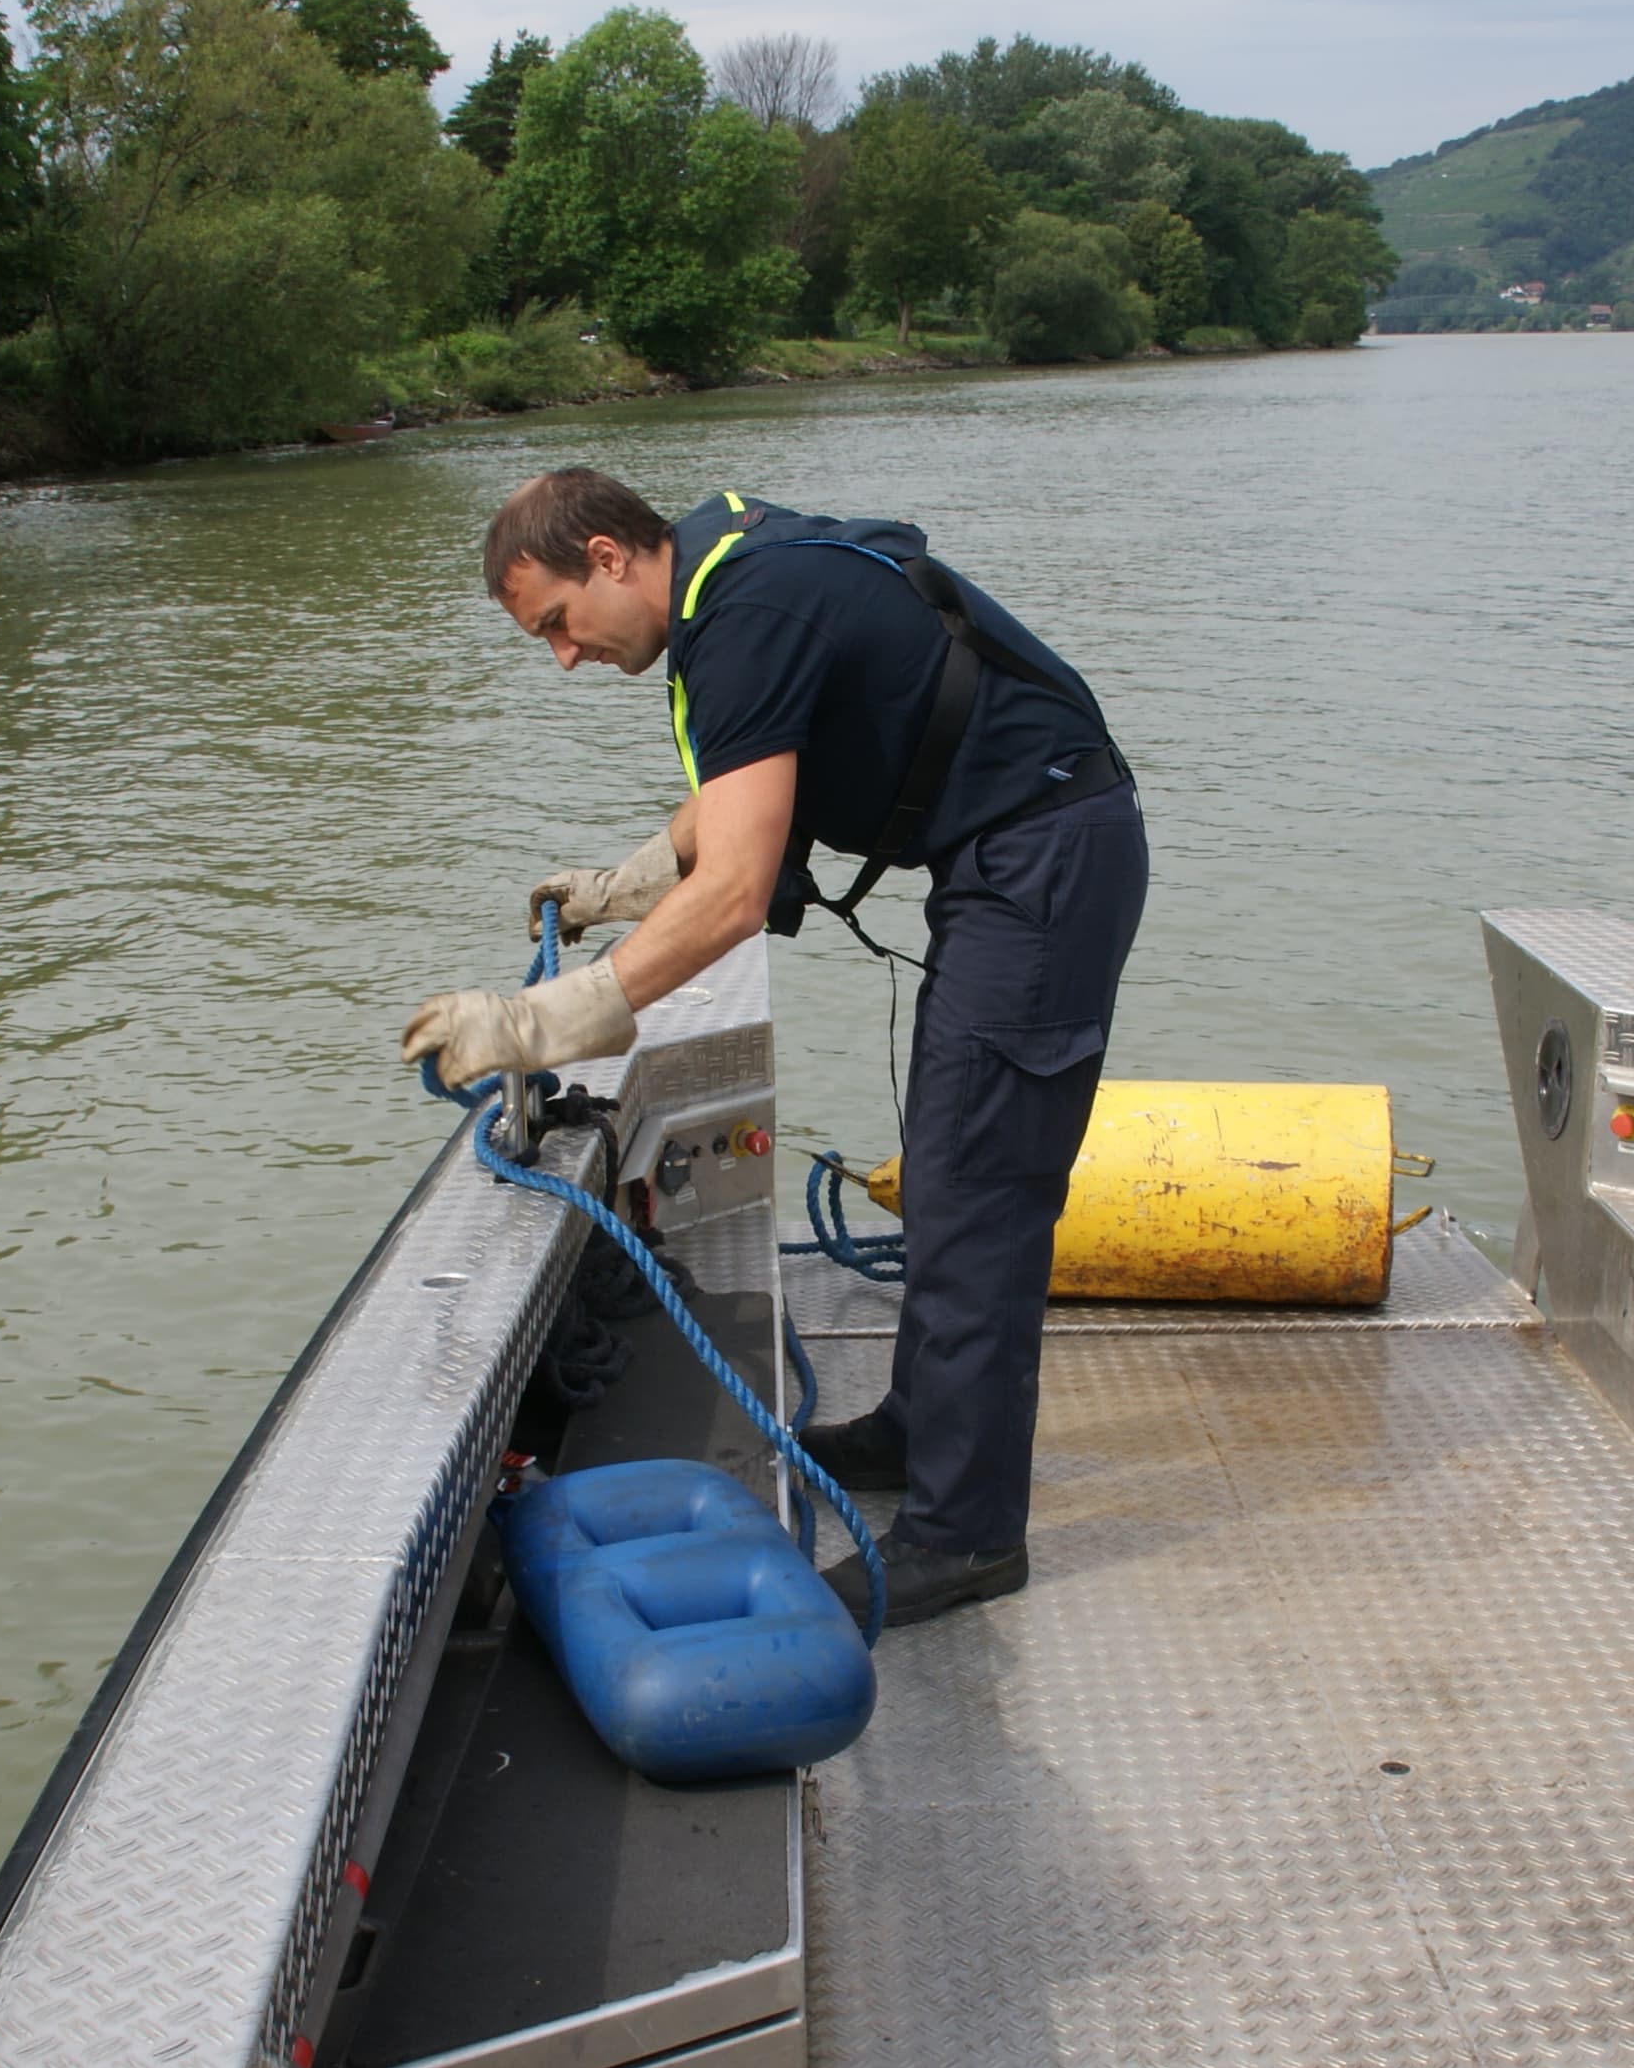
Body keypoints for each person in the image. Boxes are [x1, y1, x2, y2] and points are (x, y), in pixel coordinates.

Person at [406, 470, 1148, 1627]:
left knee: (977, 1193)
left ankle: (966, 1536)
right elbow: (740, 785)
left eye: (556, 622)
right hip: (1015, 854)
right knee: (949, 1168)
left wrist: (547, 1018)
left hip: (1043, 862)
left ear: (606, 557)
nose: (563, 657)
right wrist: (627, 883)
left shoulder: (743, 614)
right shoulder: (728, 577)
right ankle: (916, 1432)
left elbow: (738, 890)